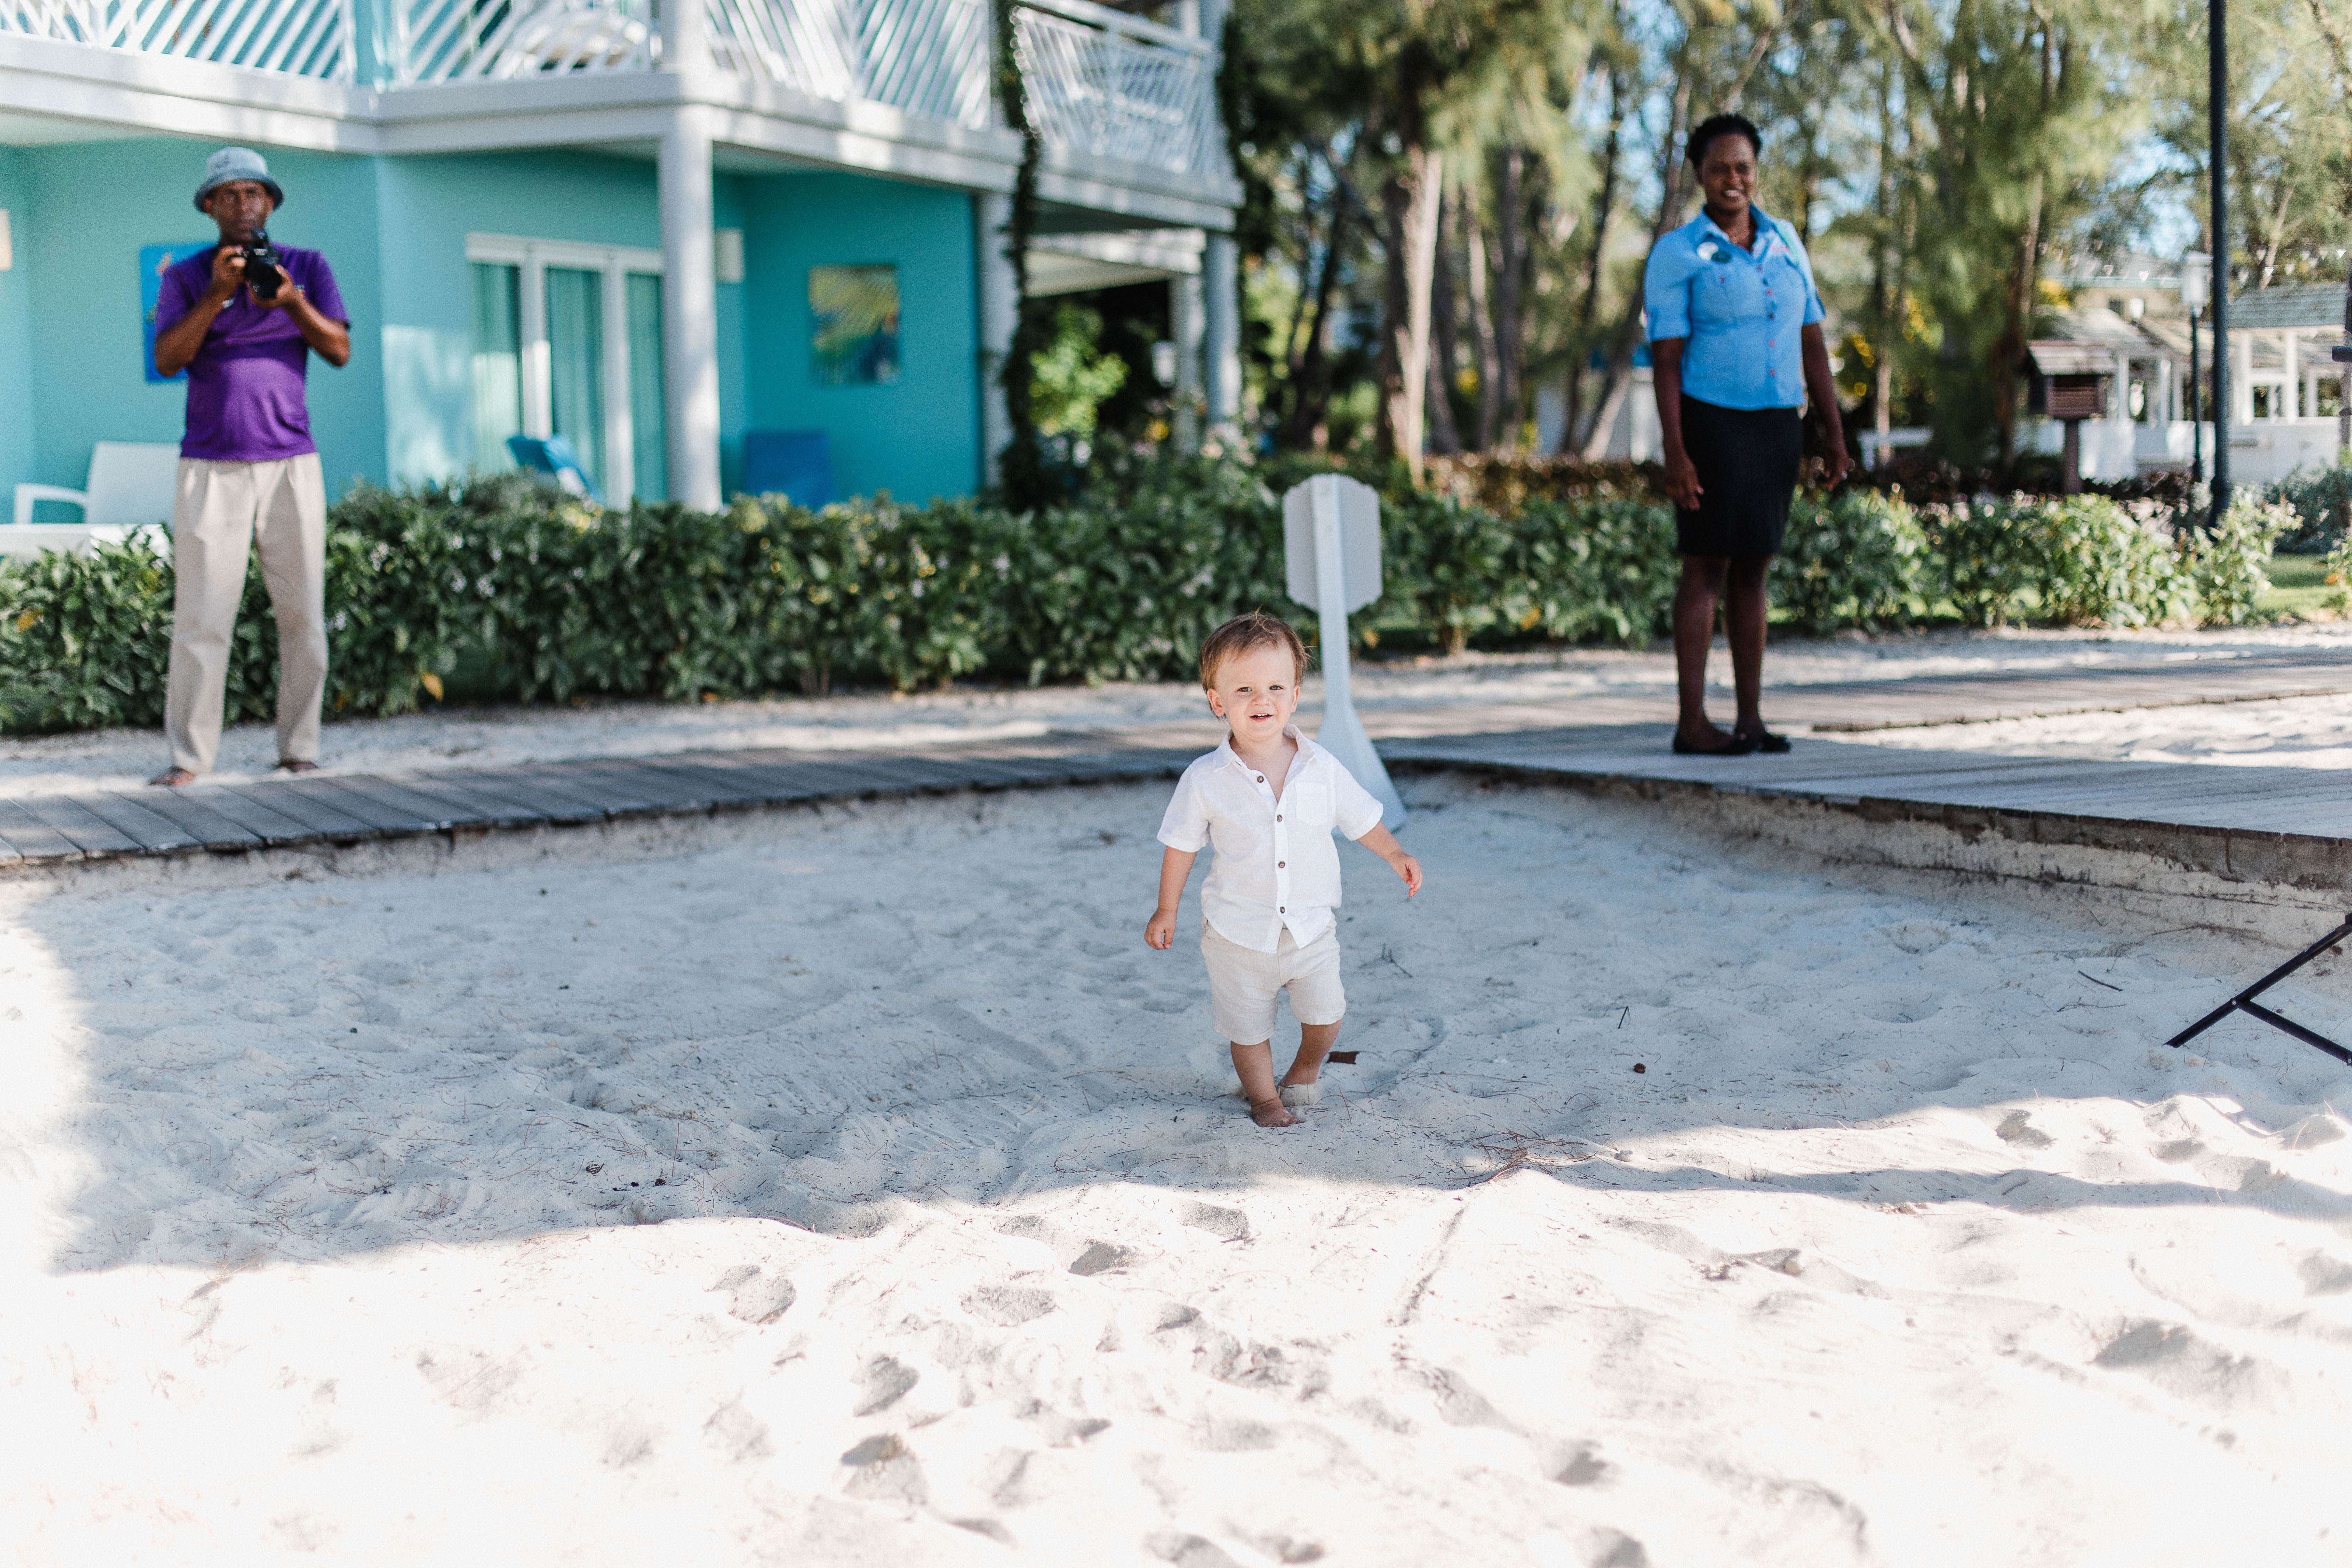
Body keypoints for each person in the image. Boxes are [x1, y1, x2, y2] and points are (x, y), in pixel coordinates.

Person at [1145, 612, 1424, 1128]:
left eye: (1275, 686)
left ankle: (1303, 1070)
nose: (1261, 700)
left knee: (1327, 1014)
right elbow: (1181, 846)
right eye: (1244, 689)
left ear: (1295, 697)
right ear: (1217, 702)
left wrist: (1394, 853)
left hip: (1310, 927)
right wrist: (1167, 908)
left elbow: (1360, 819)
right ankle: (1264, 1101)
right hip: (1237, 933)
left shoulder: (1321, 765)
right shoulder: (1205, 779)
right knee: (1248, 1029)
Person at [1645, 112, 1850, 757]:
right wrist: (1676, 450)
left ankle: (1751, 720)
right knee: (1706, 567)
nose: (1732, 180)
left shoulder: (1786, 240)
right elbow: (1668, 360)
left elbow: (1811, 341)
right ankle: (1693, 724)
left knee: (1755, 570)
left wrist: (1834, 435)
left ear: (1756, 172)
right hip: (1710, 423)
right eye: (1718, 170)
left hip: (1775, 425)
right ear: (1700, 177)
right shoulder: (1678, 253)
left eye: (1743, 168)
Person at [148, 147, 351, 788]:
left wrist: (290, 304)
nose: (243, 205)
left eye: (254, 194)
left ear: (271, 203)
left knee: (303, 616)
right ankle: (190, 759)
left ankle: (300, 748)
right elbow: (167, 360)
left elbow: (339, 350)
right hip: (211, 468)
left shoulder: (308, 268)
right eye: (229, 195)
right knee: (202, 619)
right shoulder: (185, 277)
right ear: (209, 206)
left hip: (292, 464)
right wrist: (217, 293)